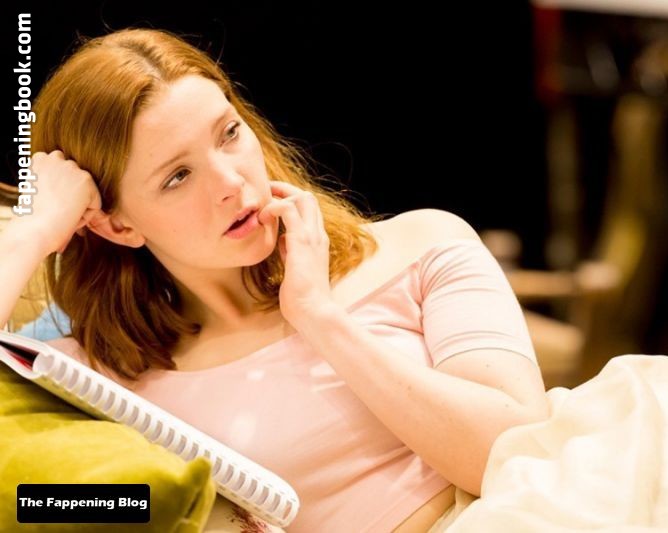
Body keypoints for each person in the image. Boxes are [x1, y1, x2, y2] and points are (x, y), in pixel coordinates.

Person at [0, 27, 549, 532]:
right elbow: (32, 503)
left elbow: (517, 455)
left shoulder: (420, 243)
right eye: (178, 176)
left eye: (228, 134)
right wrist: (33, 230)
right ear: (118, 225)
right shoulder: (97, 375)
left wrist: (318, 316)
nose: (231, 182)